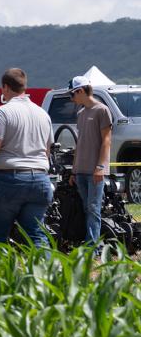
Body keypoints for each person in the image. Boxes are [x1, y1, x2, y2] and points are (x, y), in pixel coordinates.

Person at [0, 69, 53, 249]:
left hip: (9, 179)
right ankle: (48, 274)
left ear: (6, 87)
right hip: (41, 179)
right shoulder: (43, 114)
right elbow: (47, 150)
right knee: (36, 234)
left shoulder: (2, 112)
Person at [68, 75, 113, 248]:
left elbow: (106, 141)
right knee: (87, 208)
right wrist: (74, 169)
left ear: (80, 91)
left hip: (95, 170)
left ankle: (92, 246)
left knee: (94, 208)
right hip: (81, 171)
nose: (71, 99)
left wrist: (100, 167)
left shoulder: (102, 110)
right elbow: (79, 143)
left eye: (72, 95)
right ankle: (91, 242)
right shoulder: (81, 113)